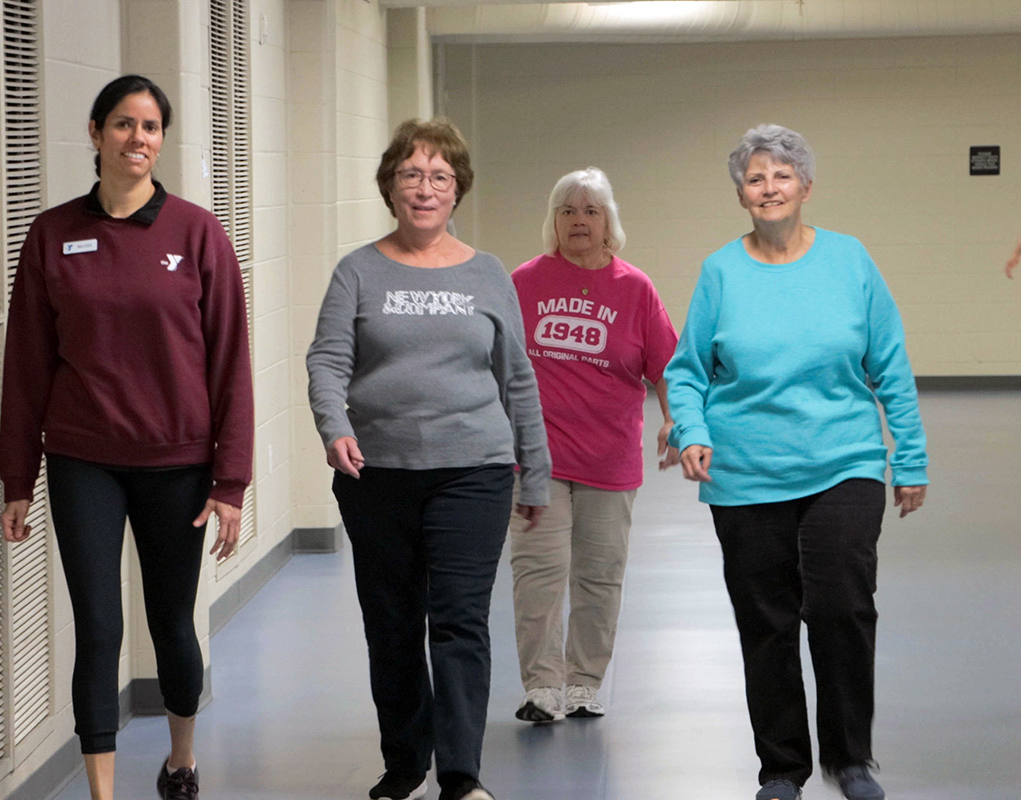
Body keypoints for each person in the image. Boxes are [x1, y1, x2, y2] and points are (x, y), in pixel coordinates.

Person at [0, 75, 253, 800]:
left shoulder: (197, 234)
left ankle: (180, 760)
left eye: (149, 127)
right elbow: (26, 365)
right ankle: (102, 792)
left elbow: (231, 361)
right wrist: (18, 479)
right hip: (83, 459)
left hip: (177, 462)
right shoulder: (52, 234)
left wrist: (229, 481)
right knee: (99, 627)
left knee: (171, 621)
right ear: (95, 132)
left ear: (161, 141)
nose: (136, 138)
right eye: (122, 124)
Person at [664, 124, 929, 800]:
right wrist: (691, 429)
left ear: (805, 188)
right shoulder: (721, 270)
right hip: (745, 472)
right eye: (756, 178)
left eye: (782, 176)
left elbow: (891, 365)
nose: (769, 187)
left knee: (842, 607)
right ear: (741, 195)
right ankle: (781, 769)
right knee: (767, 621)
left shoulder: (849, 260)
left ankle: (852, 759)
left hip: (845, 459)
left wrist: (911, 458)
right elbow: (688, 370)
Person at [306, 118, 550, 800]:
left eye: (440, 176)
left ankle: (462, 773)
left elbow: (518, 377)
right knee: (391, 621)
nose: (425, 188)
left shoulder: (488, 273)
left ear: (457, 190)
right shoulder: (357, 270)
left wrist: (536, 469)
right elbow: (327, 359)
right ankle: (405, 761)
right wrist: (334, 426)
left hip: (473, 469)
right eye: (412, 174)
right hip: (376, 473)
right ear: (390, 185)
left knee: (460, 619)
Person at [508, 167, 679, 724]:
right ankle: (542, 686)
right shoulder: (524, 282)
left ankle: (583, 681)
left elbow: (667, 368)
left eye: (590, 211)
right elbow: (491, 361)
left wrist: (675, 419)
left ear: (609, 224)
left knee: (600, 574)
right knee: (539, 572)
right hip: (537, 460)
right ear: (553, 222)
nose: (579, 221)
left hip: (610, 457)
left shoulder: (635, 288)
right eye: (567, 211)